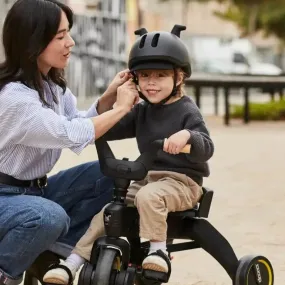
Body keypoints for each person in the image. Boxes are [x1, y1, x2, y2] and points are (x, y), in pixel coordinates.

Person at [43, 24, 215, 284]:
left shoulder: (186, 111)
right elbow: (106, 127)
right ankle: (72, 263)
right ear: (135, 79)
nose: (151, 83)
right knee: (109, 211)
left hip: (183, 184)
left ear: (178, 78)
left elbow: (207, 147)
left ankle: (159, 252)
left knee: (148, 196)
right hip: (149, 180)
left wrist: (188, 137)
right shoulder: (142, 110)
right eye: (144, 76)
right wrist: (116, 107)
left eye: (160, 75)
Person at [0, 0, 139, 284]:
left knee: (110, 175)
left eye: (69, 33)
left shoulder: (50, 86)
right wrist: (121, 109)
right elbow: (70, 133)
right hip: (5, 197)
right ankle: (5, 275)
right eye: (60, 36)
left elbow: (77, 123)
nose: (71, 43)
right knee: (49, 217)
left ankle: (50, 257)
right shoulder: (15, 98)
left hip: (34, 192)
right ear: (33, 40)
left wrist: (108, 98)